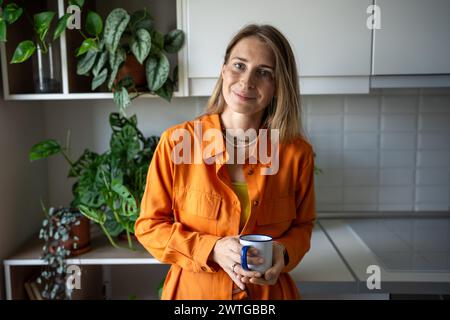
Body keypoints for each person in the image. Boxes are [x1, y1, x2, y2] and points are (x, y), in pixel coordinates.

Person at [135, 24, 316, 300]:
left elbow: (303, 227)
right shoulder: (176, 143)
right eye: (239, 65)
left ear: (278, 86)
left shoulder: (296, 154)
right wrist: (211, 248)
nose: (247, 81)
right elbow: (149, 227)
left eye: (264, 72)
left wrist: (284, 250)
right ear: (223, 70)